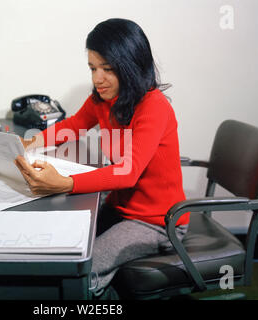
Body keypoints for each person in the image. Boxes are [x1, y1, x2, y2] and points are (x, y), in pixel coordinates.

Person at [15, 18, 189, 298]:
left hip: (157, 222)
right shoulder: (102, 98)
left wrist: (65, 183)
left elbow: (128, 172)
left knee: (82, 273)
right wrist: (30, 143)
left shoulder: (153, 107)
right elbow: (73, 126)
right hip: (120, 209)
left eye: (107, 69)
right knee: (61, 245)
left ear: (131, 66)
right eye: (93, 68)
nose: (97, 78)